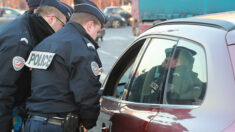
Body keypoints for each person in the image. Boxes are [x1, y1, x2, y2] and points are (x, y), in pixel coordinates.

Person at [24, 0, 105, 131]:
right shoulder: (82, 47)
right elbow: (86, 92)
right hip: (58, 125)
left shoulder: (45, 43)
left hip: (32, 123)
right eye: (97, 31)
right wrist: (88, 123)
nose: (95, 37)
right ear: (90, 25)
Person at [0, 0, 73, 132]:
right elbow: (3, 89)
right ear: (51, 19)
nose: (62, 31)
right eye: (63, 25)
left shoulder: (30, 27)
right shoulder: (21, 42)